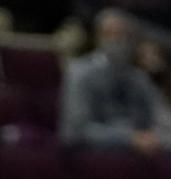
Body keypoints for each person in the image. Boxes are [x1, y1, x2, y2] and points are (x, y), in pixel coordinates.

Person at [60, 8, 162, 152]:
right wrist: (129, 138)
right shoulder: (79, 73)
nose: (118, 41)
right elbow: (77, 130)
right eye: (111, 34)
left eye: (123, 35)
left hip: (137, 158)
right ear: (98, 37)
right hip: (92, 158)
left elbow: (155, 122)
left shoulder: (139, 78)